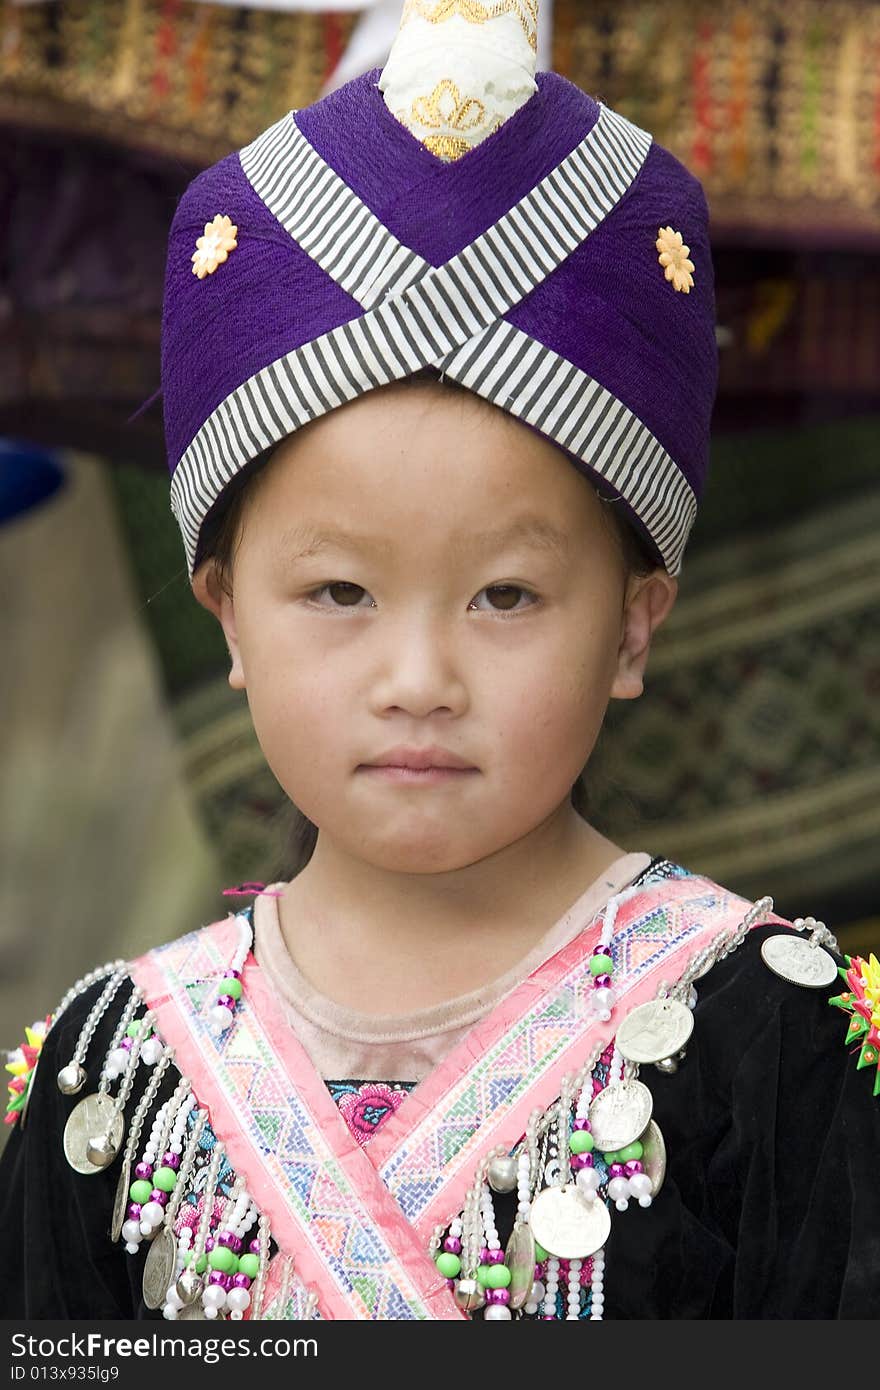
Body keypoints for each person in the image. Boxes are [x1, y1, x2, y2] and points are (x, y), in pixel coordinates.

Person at [2, 0, 878, 1321]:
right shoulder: (109, 1070)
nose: (419, 675)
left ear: (636, 621)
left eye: (507, 595)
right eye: (340, 590)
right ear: (227, 613)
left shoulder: (773, 1039)